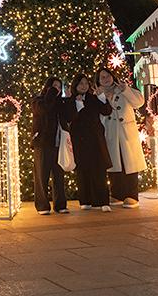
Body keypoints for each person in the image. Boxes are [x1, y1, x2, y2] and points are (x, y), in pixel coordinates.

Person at [97, 67, 146, 208]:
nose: (106, 79)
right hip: (110, 132)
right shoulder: (98, 94)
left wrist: (126, 90)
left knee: (129, 163)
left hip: (126, 132)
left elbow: (139, 102)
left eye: (107, 76)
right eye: (102, 77)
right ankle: (117, 193)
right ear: (98, 81)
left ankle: (132, 195)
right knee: (114, 163)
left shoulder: (122, 89)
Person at [62, 72, 112, 212]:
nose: (83, 86)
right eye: (80, 83)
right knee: (82, 170)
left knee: (99, 169)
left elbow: (107, 111)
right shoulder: (70, 100)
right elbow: (68, 117)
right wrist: (77, 105)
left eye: (85, 83)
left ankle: (103, 201)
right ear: (75, 85)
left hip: (95, 138)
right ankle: (85, 200)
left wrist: (102, 97)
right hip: (79, 139)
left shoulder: (93, 98)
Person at [31, 77, 69, 215]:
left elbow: (69, 116)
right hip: (43, 143)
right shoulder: (38, 101)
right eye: (54, 86)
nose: (57, 89)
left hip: (59, 143)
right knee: (42, 175)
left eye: (59, 87)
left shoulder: (60, 103)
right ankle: (42, 205)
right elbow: (44, 109)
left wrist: (68, 100)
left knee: (59, 175)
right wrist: (52, 93)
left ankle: (60, 204)